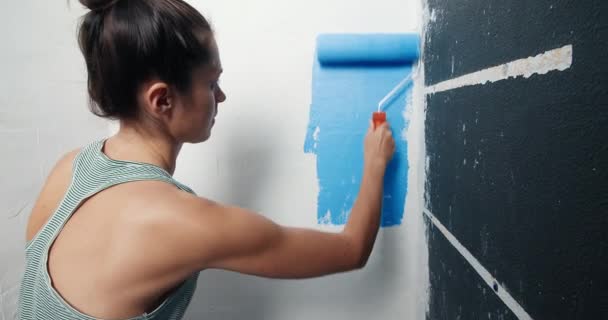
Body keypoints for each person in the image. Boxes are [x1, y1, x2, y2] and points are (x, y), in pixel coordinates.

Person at [18, 0, 396, 319]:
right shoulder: (185, 221)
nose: (221, 96)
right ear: (162, 100)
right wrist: (376, 163)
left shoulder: (70, 168)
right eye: (211, 83)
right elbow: (351, 250)